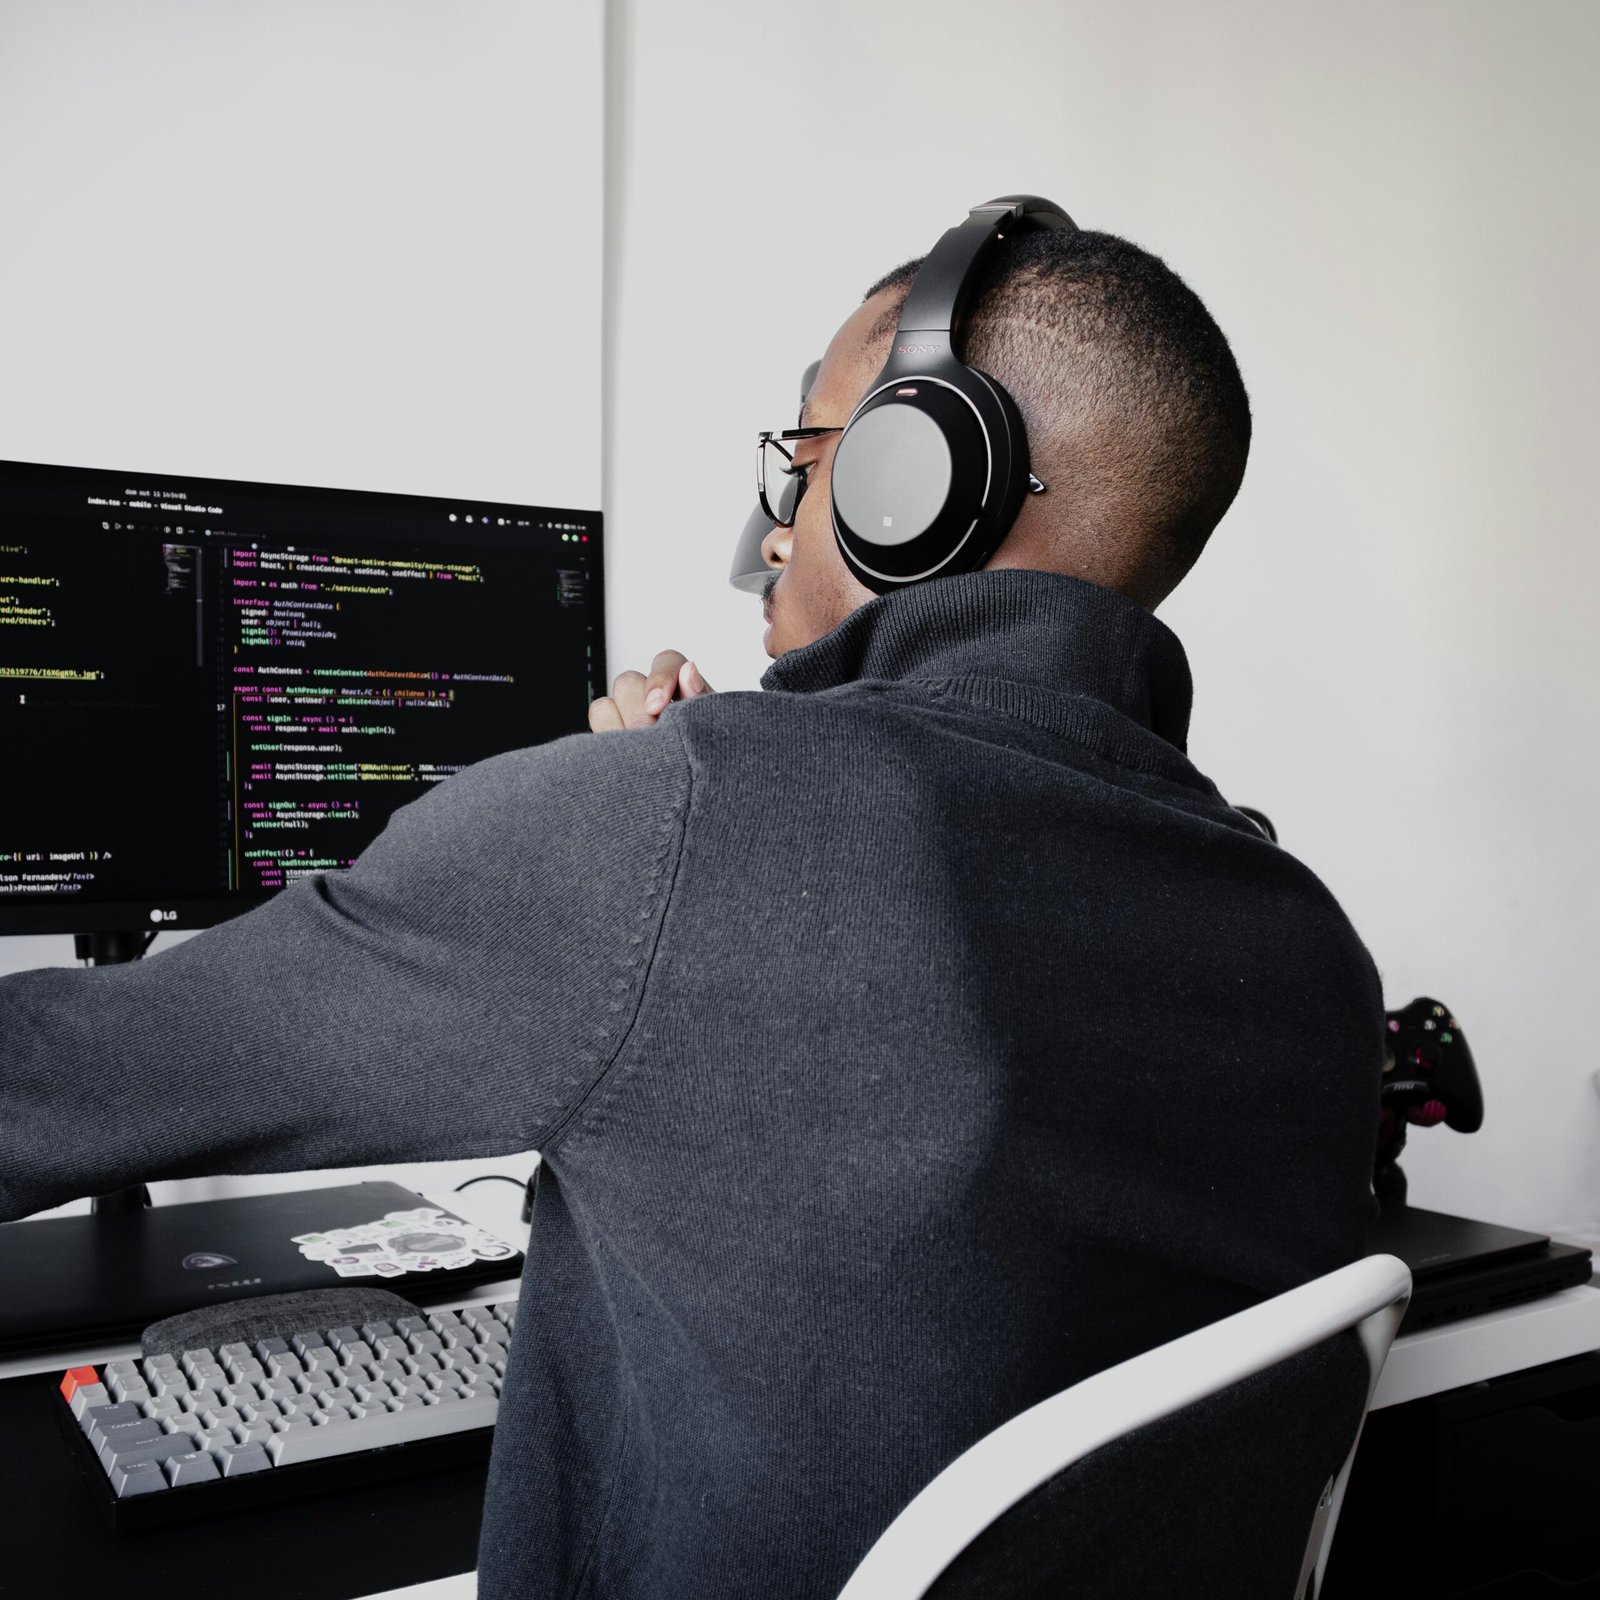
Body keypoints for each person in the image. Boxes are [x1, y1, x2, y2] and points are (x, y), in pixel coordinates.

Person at [0, 223, 1384, 1599]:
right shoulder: (1304, 935)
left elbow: (56, 1081)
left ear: (926, 473)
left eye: (811, 454)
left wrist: (675, 810)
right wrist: (739, 804)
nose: (778, 522)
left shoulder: (666, 824)